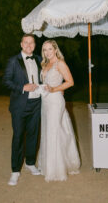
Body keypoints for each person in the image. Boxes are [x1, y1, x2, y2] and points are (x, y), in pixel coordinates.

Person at [38, 40, 80, 181]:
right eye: (45, 50)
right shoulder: (44, 64)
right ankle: (48, 165)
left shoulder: (60, 63)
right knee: (48, 130)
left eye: (50, 49)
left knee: (54, 131)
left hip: (56, 101)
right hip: (45, 102)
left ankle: (56, 169)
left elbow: (70, 82)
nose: (48, 52)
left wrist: (55, 89)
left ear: (55, 50)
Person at [3, 34, 42, 186]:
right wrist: (22, 87)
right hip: (20, 105)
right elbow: (6, 81)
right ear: (21, 44)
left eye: (31, 42)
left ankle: (30, 163)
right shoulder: (13, 61)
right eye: (26, 42)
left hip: (37, 103)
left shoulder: (39, 59)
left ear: (34, 45)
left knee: (33, 134)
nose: (28, 45)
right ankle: (15, 170)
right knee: (18, 136)